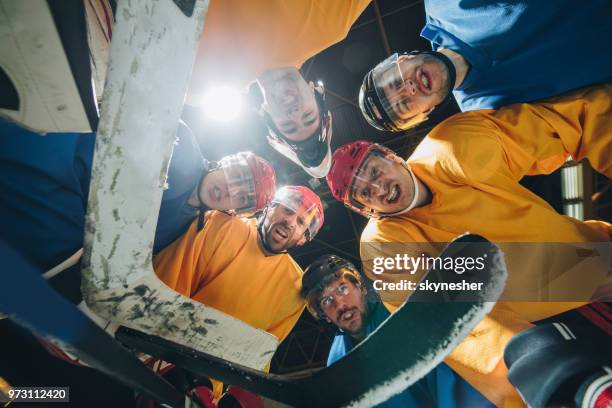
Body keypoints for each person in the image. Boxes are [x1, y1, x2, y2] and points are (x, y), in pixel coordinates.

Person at [325, 84, 612, 406]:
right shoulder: (382, 246)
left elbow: (571, 121)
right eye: (365, 193)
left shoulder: (453, 145)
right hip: (550, 331)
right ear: (368, 210)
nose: (377, 187)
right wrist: (532, 361)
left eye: (374, 171)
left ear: (392, 157)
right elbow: (442, 318)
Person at [0, 118, 276, 282]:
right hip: (47, 168)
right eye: (237, 177)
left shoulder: (185, 232)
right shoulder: (183, 143)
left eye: (241, 198)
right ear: (227, 163)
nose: (231, 189)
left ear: (234, 211)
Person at [153, 185, 325, 396]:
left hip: (210, 395)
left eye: (300, 222)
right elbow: (167, 286)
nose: (289, 222)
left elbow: (258, 356)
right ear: (269, 207)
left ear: (302, 238)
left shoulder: (296, 288)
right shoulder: (221, 224)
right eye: (287, 210)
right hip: (158, 362)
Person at [357, 0, 612, 132]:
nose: (409, 89)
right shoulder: (490, 115)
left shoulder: (446, 5)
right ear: (424, 113)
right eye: (404, 105)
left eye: (396, 82)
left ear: (401, 59)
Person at [186, 0, 371, 177]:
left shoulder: (200, 84)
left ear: (266, 113)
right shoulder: (332, 22)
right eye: (308, 116)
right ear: (315, 91)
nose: (294, 113)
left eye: (288, 126)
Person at [301, 254, 493, 408]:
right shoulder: (335, 361)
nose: (340, 304)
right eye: (327, 301)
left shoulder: (401, 315)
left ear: (360, 287)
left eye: (342, 289)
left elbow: (451, 381)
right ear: (323, 315)